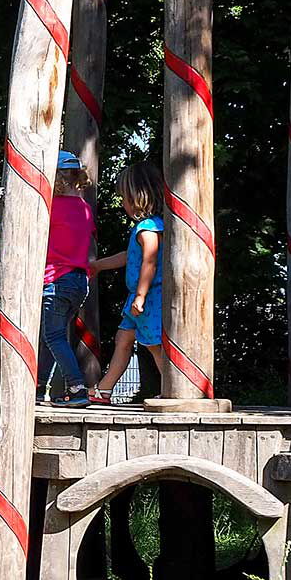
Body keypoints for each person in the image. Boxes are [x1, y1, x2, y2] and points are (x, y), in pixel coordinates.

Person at [88, 161, 166, 405]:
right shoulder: (145, 228)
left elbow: (149, 262)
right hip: (138, 297)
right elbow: (130, 256)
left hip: (148, 298)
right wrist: (99, 265)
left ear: (138, 197)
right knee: (123, 339)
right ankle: (105, 389)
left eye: (124, 198)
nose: (122, 203)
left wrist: (141, 296)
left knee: (154, 345)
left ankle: (174, 387)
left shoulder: (148, 229)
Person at [38, 149, 96, 408]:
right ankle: (39, 387)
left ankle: (76, 388)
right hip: (78, 281)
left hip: (56, 279)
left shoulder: (52, 207)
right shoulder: (84, 208)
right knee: (52, 334)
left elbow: (33, 232)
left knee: (53, 336)